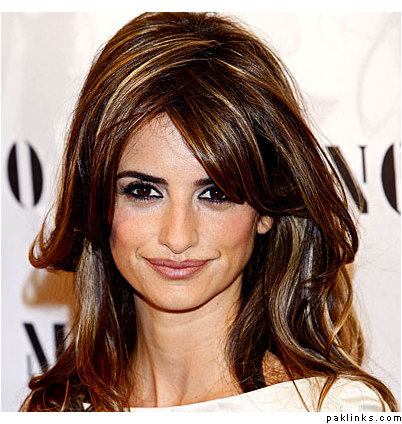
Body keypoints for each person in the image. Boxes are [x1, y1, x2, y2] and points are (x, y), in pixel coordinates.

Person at [20, 12, 398, 412]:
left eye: (215, 194)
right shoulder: (56, 409)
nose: (178, 236)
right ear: (97, 201)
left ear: (266, 209)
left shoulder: (339, 409)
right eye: (144, 191)